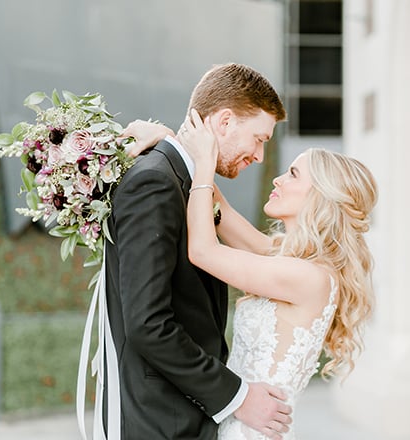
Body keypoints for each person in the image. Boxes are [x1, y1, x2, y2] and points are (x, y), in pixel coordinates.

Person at [126, 109, 378, 439]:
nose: (278, 179)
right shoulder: (284, 256)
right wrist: (167, 138)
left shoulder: (308, 277)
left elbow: (203, 251)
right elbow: (218, 210)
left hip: (250, 429)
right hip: (238, 419)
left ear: (320, 197)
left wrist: (203, 165)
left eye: (293, 174)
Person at [101, 63, 291, 440]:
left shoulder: (183, 181)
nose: (257, 155)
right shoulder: (156, 182)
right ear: (223, 122)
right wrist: (237, 398)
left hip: (185, 415)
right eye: (259, 138)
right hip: (160, 420)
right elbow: (147, 324)